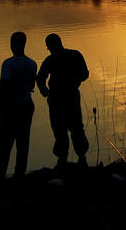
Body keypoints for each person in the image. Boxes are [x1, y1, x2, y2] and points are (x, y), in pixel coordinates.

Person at [36, 33, 89, 168]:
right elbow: (85, 74)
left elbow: (40, 78)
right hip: (69, 96)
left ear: (51, 46)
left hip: (57, 99)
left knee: (60, 129)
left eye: (48, 47)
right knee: (75, 127)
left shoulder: (50, 59)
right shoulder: (75, 54)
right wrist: (75, 81)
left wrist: (45, 92)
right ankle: (80, 157)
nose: (49, 49)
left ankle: (63, 159)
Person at [0, 31, 37, 183]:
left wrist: (1, 110)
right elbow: (31, 85)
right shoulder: (32, 63)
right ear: (24, 44)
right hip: (27, 106)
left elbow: (3, 87)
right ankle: (20, 175)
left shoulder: (8, 64)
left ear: (12, 44)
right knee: (23, 143)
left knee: (2, 147)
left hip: (11, 109)